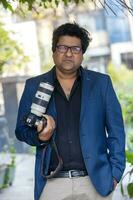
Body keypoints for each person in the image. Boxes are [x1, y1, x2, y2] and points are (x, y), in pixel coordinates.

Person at [15, 23, 125, 200]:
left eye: (75, 48)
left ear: (82, 54)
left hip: (95, 183)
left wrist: (115, 175)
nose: (68, 53)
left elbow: (116, 132)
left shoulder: (101, 83)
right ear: (53, 51)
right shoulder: (34, 85)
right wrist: (40, 137)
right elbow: (21, 131)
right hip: (52, 183)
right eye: (62, 47)